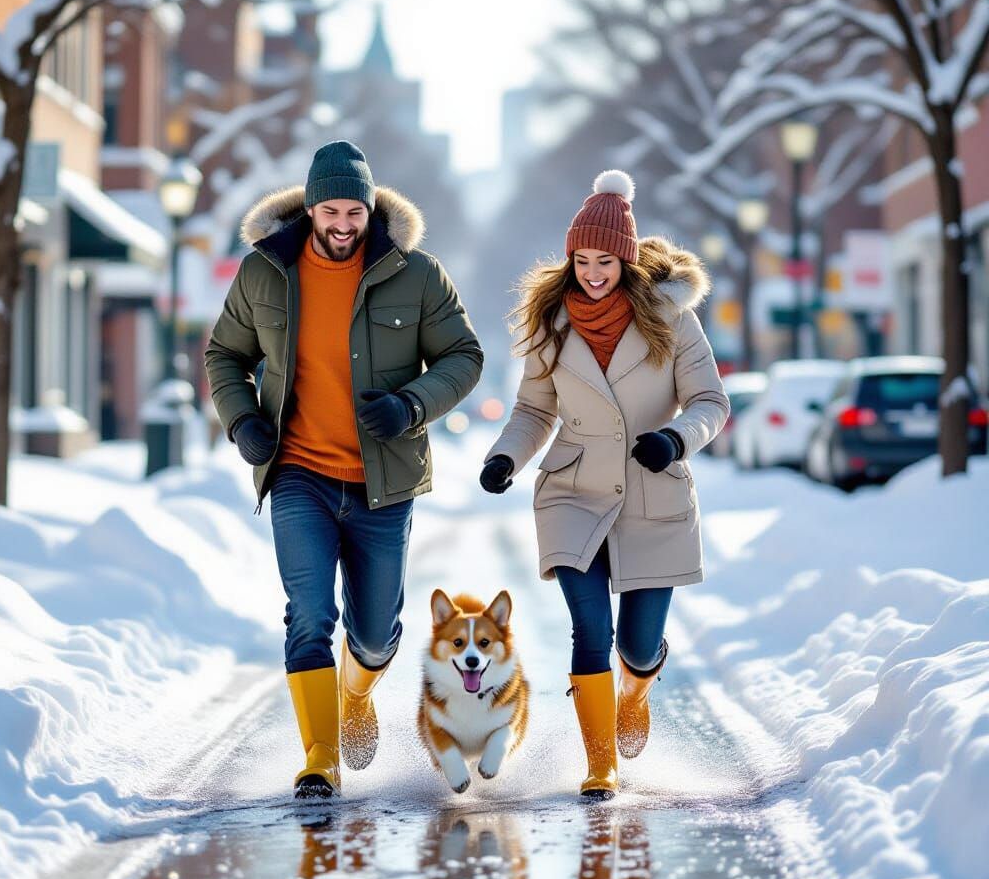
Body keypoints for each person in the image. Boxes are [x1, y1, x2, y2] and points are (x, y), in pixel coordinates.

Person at [205, 140, 483, 799]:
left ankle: (356, 694)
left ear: (370, 209)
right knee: (308, 615)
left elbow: (464, 357)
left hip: (382, 481)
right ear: (310, 208)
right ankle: (320, 759)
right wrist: (243, 421)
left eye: (354, 212)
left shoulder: (415, 273)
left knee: (375, 634)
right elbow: (225, 354)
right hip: (298, 472)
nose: (342, 224)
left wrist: (410, 404)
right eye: (329, 211)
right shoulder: (265, 272)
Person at [479, 170, 729, 801]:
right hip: (573, 492)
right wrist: (505, 457)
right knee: (590, 630)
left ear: (626, 260)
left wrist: (675, 438)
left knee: (638, 648)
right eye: (582, 261)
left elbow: (710, 402)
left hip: (652, 487)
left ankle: (635, 690)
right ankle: (601, 764)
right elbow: (533, 410)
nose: (592, 273)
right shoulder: (551, 321)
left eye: (605, 261)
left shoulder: (673, 319)